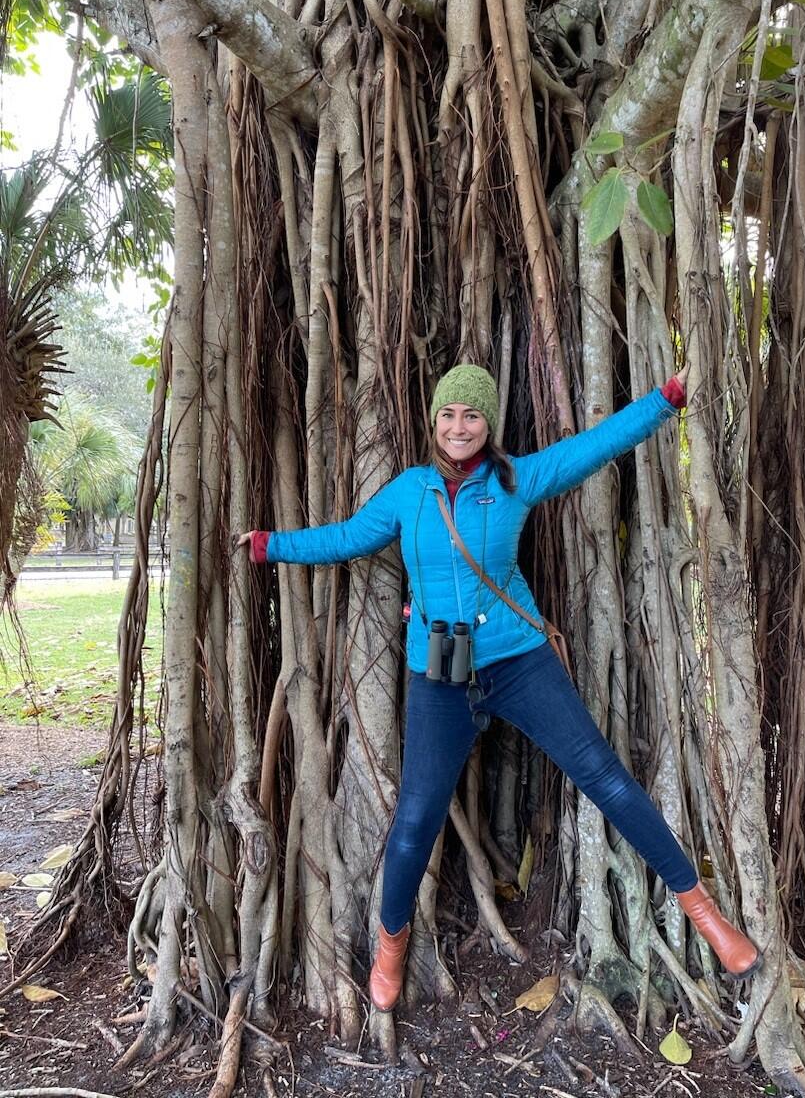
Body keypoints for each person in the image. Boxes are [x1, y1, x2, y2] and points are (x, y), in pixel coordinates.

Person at [238, 364, 760, 1012]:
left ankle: (703, 912)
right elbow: (345, 537)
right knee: (414, 821)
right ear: (434, 422)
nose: (460, 427)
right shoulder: (410, 493)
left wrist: (667, 399)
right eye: (449, 414)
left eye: (473, 416)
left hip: (520, 660)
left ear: (488, 426)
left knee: (606, 778)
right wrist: (268, 545)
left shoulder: (515, 482)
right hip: (440, 675)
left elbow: (594, 447)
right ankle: (392, 944)